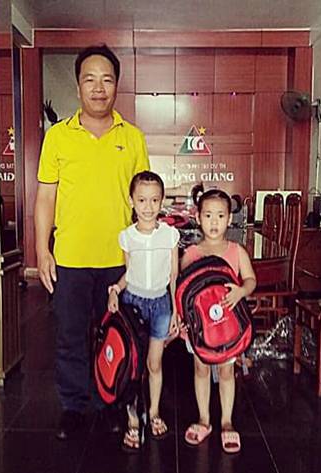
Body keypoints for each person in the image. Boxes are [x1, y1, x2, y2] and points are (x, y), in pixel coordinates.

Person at [34, 44, 150, 440]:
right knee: (70, 337)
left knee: (114, 335)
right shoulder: (58, 137)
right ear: (78, 85)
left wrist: (144, 252)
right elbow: (45, 197)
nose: (99, 88)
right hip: (70, 258)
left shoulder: (132, 138)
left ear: (116, 85)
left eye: (107, 80)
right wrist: (42, 251)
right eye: (90, 79)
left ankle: (109, 404)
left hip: (118, 261)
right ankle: (73, 407)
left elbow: (144, 199)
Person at [107, 171, 180, 451]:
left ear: (162, 201)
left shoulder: (170, 235)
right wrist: (115, 290)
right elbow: (130, 273)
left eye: (154, 200)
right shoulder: (127, 237)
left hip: (161, 305)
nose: (148, 207)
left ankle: (154, 412)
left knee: (154, 364)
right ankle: (133, 419)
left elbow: (173, 276)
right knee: (133, 368)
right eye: (142, 200)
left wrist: (175, 311)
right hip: (133, 305)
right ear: (131, 201)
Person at [180, 189, 256, 454]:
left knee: (226, 372)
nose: (214, 222)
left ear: (230, 219)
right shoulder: (191, 253)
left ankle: (226, 421)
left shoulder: (236, 251)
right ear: (198, 217)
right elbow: (183, 292)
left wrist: (241, 291)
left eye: (220, 216)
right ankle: (204, 419)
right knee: (200, 369)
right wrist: (182, 320)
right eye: (208, 215)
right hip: (200, 328)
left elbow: (251, 280)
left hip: (228, 327)